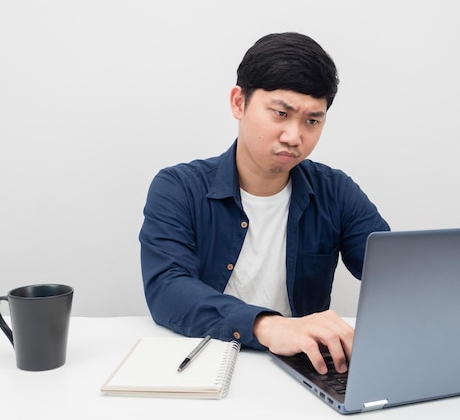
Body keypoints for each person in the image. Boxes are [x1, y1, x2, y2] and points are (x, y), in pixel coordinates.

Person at [139, 32, 390, 375]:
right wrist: (270, 327)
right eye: (280, 113)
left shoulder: (336, 191)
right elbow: (167, 290)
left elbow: (394, 275)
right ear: (239, 103)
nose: (294, 136)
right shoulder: (178, 188)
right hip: (204, 362)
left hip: (300, 371)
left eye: (312, 121)